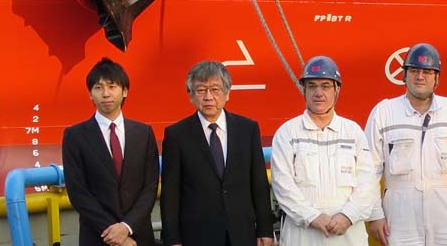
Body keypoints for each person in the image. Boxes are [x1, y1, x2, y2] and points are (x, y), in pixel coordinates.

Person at [364, 42, 447, 246]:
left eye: (427, 71)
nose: (420, 76)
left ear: (437, 78)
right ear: (404, 75)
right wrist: (375, 214)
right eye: (414, 70)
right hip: (399, 213)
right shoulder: (384, 112)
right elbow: (370, 169)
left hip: (445, 212)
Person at [160, 60, 275, 246]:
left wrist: (265, 230)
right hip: (197, 235)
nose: (208, 97)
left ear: (227, 93)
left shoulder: (248, 129)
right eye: (200, 90)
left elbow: (259, 184)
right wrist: (172, 239)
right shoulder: (176, 135)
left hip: (242, 233)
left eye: (215, 89)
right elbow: (170, 193)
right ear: (190, 95)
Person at [270, 56, 378, 246]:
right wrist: (312, 217)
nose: (318, 92)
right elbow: (282, 185)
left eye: (326, 86)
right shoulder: (287, 133)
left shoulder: (353, 132)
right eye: (312, 86)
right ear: (304, 89)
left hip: (348, 234)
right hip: (303, 235)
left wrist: (347, 216)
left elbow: (367, 184)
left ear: (337, 90)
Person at [62, 57, 159, 246]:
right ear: (90, 94)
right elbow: (77, 191)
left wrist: (127, 227)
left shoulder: (143, 132)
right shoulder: (75, 136)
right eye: (98, 88)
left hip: (138, 236)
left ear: (125, 91)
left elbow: (150, 186)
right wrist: (114, 233)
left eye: (112, 86)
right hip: (98, 237)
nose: (105, 94)